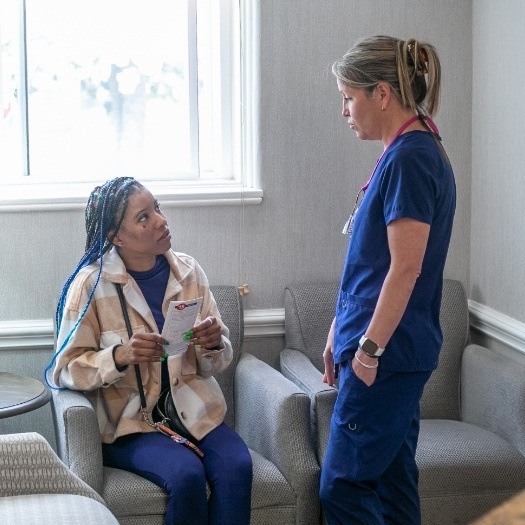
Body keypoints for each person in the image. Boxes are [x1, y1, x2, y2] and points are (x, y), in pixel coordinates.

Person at [47, 177, 252, 525]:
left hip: (194, 411)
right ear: (116, 237)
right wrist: (119, 357)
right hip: (131, 425)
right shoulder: (89, 286)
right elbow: (63, 370)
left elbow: (215, 362)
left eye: (157, 208)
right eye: (144, 217)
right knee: (186, 476)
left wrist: (214, 342)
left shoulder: (188, 271)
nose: (160, 221)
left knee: (237, 467)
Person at [319, 36, 456, 524]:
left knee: (344, 487)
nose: (344, 111)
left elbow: (405, 268)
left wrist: (369, 349)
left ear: (381, 93)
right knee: (394, 484)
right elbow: (372, 263)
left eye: (348, 97)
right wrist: (340, 328)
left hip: (387, 355)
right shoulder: (405, 152)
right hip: (383, 348)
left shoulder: (411, 159)